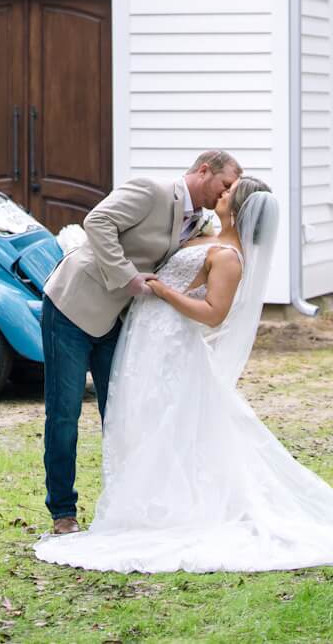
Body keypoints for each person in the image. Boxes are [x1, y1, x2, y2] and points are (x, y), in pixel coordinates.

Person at [35, 177, 333, 573]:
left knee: (156, 425)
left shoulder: (229, 256)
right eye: (221, 187)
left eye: (226, 193)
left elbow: (213, 314)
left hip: (168, 345)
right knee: (134, 422)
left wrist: (164, 293)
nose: (218, 196)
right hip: (143, 338)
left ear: (236, 208)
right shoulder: (202, 231)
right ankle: (123, 502)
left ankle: (155, 506)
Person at [40, 150, 242, 534]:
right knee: (65, 413)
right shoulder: (152, 190)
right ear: (204, 171)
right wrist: (128, 276)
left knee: (121, 411)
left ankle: (125, 502)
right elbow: (96, 221)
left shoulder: (199, 221)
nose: (225, 193)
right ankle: (62, 511)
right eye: (225, 185)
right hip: (73, 306)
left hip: (119, 321)